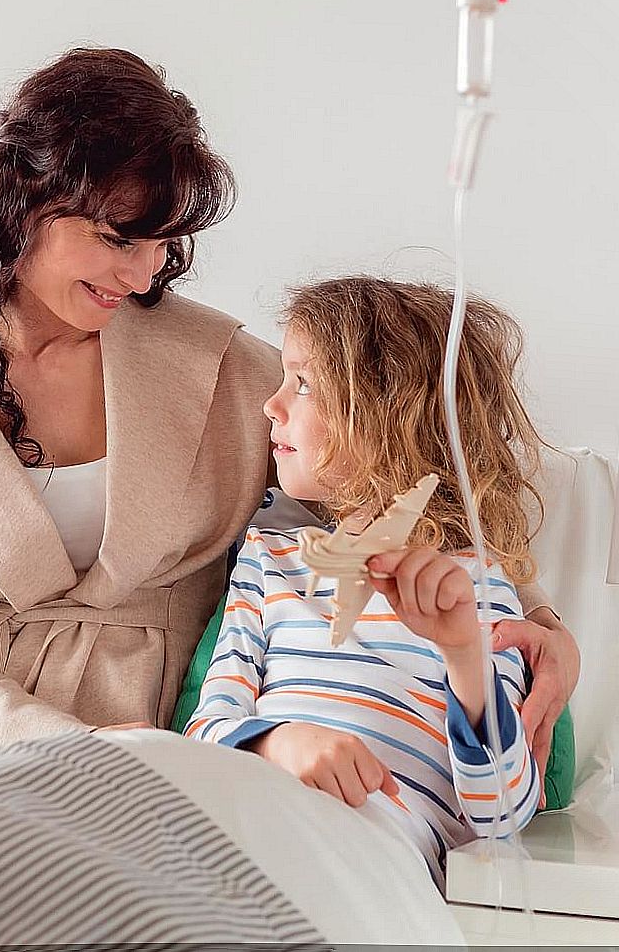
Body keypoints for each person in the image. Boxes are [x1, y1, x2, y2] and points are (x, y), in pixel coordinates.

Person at [0, 47, 580, 771]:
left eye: (161, 243)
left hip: (184, 744)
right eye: (115, 239)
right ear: (21, 202)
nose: (143, 273)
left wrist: (536, 622)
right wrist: (68, 746)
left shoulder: (222, 366)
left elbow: (394, 469)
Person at [184, 276, 545, 887]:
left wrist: (463, 654)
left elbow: (503, 812)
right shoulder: (269, 560)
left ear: (386, 416)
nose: (272, 406)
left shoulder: (472, 589)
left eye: (302, 385)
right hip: (239, 802)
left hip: (364, 841)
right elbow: (208, 727)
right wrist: (278, 743)